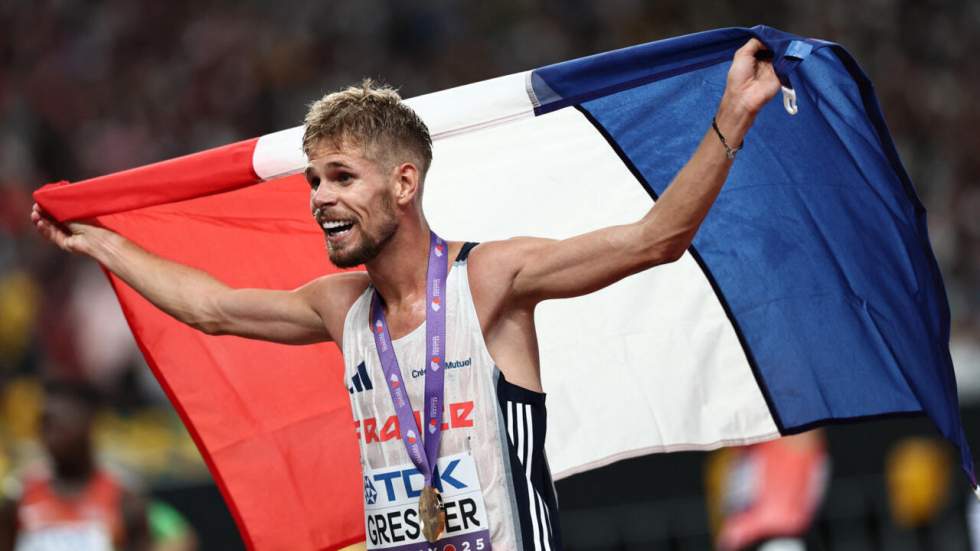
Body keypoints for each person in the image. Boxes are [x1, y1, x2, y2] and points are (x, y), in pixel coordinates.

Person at [31, 39, 780, 549]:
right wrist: (101, 242)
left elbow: (655, 237)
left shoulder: (490, 278)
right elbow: (214, 309)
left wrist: (730, 120)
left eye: (342, 177)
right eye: (314, 180)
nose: (320, 197)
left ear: (404, 182)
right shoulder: (340, 307)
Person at [0, 380, 150, 551]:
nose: (50, 438)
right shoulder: (18, 495)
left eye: (60, 427)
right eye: (44, 427)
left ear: (87, 426)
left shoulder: (124, 497)